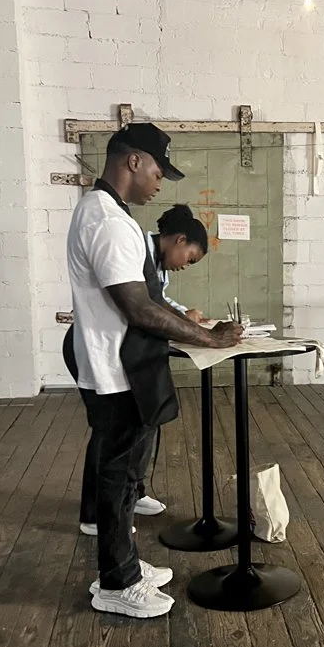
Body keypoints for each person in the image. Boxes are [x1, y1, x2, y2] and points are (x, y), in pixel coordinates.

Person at [65, 122, 242, 618]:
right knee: (119, 477)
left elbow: (148, 302)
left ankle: (127, 565)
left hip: (126, 368)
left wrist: (195, 326)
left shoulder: (111, 215)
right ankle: (117, 582)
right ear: (134, 161)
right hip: (113, 368)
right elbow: (138, 308)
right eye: (159, 171)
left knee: (125, 478)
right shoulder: (106, 221)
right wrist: (209, 338)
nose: (160, 183)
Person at [77, 204, 210, 530]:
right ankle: (95, 516)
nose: (186, 266)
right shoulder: (131, 246)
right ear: (179, 240)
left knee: (143, 423)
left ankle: (131, 494)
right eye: (190, 258)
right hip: (99, 347)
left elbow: (158, 300)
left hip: (127, 350)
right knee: (108, 433)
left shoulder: (155, 261)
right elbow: (146, 307)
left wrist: (186, 320)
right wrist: (202, 335)